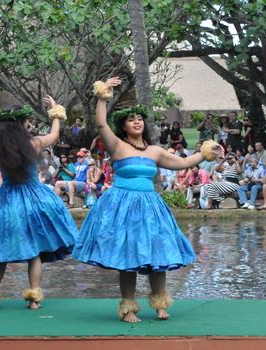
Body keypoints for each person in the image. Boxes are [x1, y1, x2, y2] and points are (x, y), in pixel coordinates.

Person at [73, 77, 222, 323]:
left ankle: (160, 304)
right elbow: (100, 124)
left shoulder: (154, 151)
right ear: (124, 125)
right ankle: (128, 308)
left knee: (159, 254)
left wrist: (207, 153)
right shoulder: (117, 146)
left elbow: (183, 163)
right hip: (122, 205)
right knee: (127, 257)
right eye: (131, 119)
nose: (137, 122)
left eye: (140, 119)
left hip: (150, 206)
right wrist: (103, 94)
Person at [0, 99, 77, 311]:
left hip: (6, 202)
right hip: (34, 200)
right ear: (23, 125)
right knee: (34, 250)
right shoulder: (34, 143)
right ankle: (34, 299)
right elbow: (55, 135)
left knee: (0, 250)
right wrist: (56, 112)